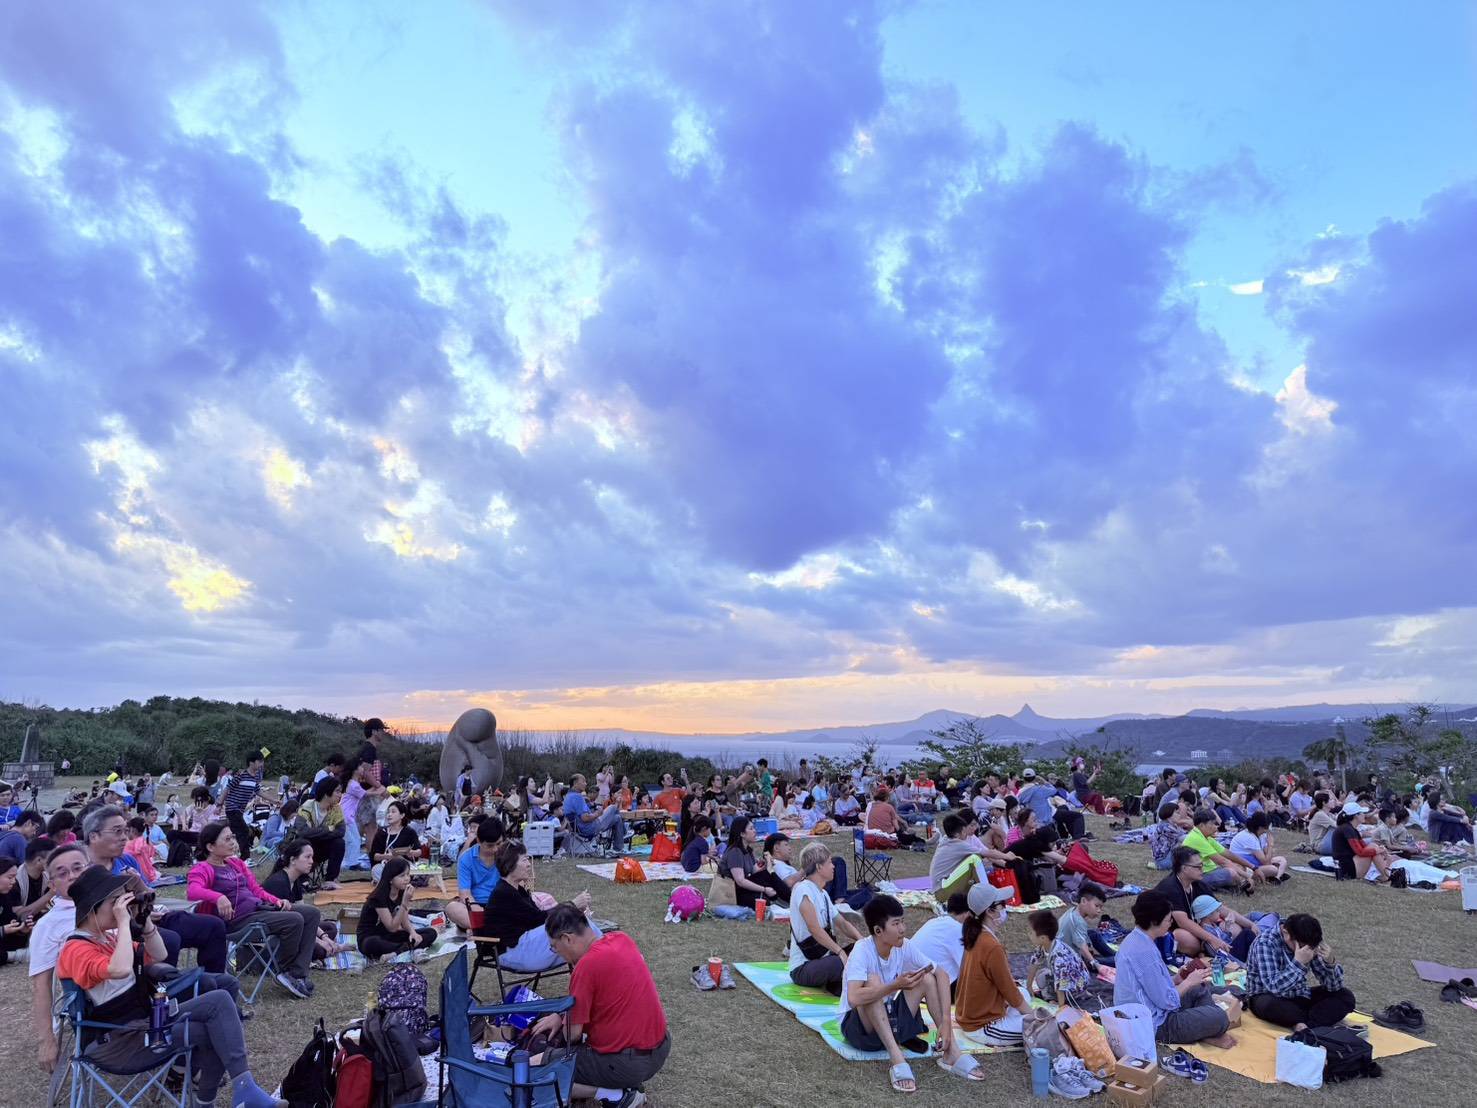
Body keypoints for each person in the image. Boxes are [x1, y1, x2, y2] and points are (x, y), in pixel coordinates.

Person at [53, 865, 283, 1108]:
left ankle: (217, 1099)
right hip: (117, 1042)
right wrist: (123, 924)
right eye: (116, 901)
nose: (123, 906)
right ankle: (242, 1093)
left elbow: (160, 953)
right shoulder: (76, 949)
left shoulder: (107, 938)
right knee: (217, 1001)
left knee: (217, 1026)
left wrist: (145, 922)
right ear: (93, 906)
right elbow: (119, 969)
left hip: (144, 1026)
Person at [530, 905, 669, 1108]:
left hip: (629, 1063)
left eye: (554, 947)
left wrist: (562, 1024)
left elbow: (572, 1035)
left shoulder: (586, 967)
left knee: (535, 1068)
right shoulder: (621, 939)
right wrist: (560, 1016)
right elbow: (607, 999)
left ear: (567, 939)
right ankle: (621, 1084)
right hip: (659, 1049)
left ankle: (615, 1095)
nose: (556, 953)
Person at [840, 894, 982, 1092]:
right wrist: (893, 985)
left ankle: (951, 1051)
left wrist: (946, 1024)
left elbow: (940, 973)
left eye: (903, 921)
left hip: (889, 1020)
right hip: (861, 1030)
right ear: (878, 930)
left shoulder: (904, 946)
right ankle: (897, 1059)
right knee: (873, 982)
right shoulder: (862, 950)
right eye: (896, 923)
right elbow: (854, 998)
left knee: (926, 978)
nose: (903, 929)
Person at [83, 805, 229, 974]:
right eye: (117, 831)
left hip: (148, 918)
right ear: (94, 836)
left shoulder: (126, 860)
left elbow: (151, 897)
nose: (124, 837)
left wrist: (137, 883)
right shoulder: (81, 870)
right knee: (170, 940)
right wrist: (136, 915)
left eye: (125, 831)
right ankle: (161, 995)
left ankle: (214, 983)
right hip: (119, 928)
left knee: (212, 926)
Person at [187, 822, 321, 999]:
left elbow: (256, 890)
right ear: (210, 846)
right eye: (227, 839)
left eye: (233, 837)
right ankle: (285, 970)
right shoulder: (203, 868)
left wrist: (277, 901)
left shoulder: (236, 864)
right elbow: (192, 891)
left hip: (258, 910)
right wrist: (218, 897)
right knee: (294, 919)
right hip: (236, 921)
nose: (232, 841)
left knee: (311, 913)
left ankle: (298, 973)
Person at [1115, 889, 1236, 1047]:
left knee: (1199, 988)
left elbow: (1151, 987)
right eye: (1168, 919)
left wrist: (1177, 979)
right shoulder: (1144, 952)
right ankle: (1207, 1030)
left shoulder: (1135, 939)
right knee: (1220, 1017)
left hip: (1150, 1009)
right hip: (1154, 1024)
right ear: (1154, 922)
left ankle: (1204, 1029)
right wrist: (1187, 983)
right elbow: (1166, 1002)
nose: (1170, 923)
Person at [485, 842, 599, 971]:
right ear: (510, 865)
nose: (529, 864)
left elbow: (539, 918)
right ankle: (606, 957)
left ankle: (599, 967)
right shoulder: (503, 893)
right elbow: (539, 920)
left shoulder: (519, 891)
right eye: (524, 860)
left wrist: (574, 911)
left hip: (527, 948)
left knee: (580, 928)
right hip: (513, 952)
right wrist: (572, 905)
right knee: (580, 927)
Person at [1245, 913, 1356, 1030]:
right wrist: (1298, 963)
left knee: (1345, 996)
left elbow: (1333, 987)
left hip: (1300, 996)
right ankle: (1313, 1020)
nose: (1307, 949)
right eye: (1302, 946)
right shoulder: (1265, 943)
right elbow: (1273, 986)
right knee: (1269, 1005)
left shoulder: (1309, 940)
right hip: (1269, 997)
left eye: (1310, 947)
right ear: (1287, 934)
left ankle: (1305, 1025)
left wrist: (1330, 963)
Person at [1154, 847, 1261, 958]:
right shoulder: (1171, 888)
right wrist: (1212, 939)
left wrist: (1250, 924)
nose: (1202, 869)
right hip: (1165, 931)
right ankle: (1206, 950)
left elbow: (1221, 909)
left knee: (1235, 929)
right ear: (1184, 868)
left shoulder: (1198, 883)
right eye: (1198, 866)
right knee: (1185, 938)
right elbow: (1183, 922)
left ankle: (1209, 950)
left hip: (1199, 926)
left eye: (1202, 865)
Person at [788, 842, 865, 993]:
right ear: (818, 867)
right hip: (803, 967)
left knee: (862, 952)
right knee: (846, 961)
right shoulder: (802, 889)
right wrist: (839, 951)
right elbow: (814, 929)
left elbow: (842, 924)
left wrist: (863, 941)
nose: (833, 866)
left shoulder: (822, 894)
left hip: (824, 959)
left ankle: (840, 986)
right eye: (829, 862)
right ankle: (848, 984)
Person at [262, 839, 350, 960]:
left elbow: (306, 917)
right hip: (279, 932)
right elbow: (294, 922)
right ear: (293, 860)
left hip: (296, 927)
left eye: (312, 857)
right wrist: (320, 942)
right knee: (318, 949)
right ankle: (331, 948)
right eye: (307, 857)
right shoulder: (278, 883)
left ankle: (328, 946)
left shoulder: (294, 880)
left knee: (330, 928)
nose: (311, 861)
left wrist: (324, 937)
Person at [357, 857, 438, 961]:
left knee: (431, 933)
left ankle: (396, 952)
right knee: (372, 943)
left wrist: (412, 932)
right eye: (402, 875)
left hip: (387, 935)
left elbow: (404, 921)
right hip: (369, 937)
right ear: (390, 879)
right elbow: (392, 927)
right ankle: (405, 949)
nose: (407, 878)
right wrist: (405, 903)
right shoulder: (378, 897)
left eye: (408, 874)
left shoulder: (400, 891)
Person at [446, 816, 504, 932]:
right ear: (478, 841)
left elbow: (519, 886)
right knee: (451, 908)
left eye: (498, 844)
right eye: (490, 845)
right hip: (475, 905)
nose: (495, 849)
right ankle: (489, 925)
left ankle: (480, 927)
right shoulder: (466, 858)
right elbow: (465, 894)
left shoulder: (507, 854)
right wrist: (477, 910)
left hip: (502, 904)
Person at [1026, 908, 1093, 1007]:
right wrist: (1029, 985)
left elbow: (1061, 985)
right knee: (1042, 974)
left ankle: (1055, 999)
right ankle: (1077, 993)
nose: (1028, 935)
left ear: (1043, 938)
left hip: (1077, 984)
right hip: (1076, 978)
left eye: (1031, 933)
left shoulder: (1059, 958)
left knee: (1042, 978)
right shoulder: (1045, 945)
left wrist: (1061, 1007)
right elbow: (1034, 963)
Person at [909, 891, 973, 990]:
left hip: (910, 979)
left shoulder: (934, 921)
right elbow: (968, 968)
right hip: (929, 985)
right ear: (967, 915)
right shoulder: (957, 929)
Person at [1181, 809, 1255, 893]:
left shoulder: (1204, 836)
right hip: (1196, 878)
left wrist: (1253, 867)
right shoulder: (1196, 838)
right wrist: (1247, 877)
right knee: (1232, 873)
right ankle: (1236, 886)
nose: (1215, 826)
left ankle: (1228, 886)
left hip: (1207, 871)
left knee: (1238, 866)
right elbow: (1223, 861)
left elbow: (1227, 853)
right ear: (1202, 825)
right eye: (1212, 824)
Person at [294, 775, 347, 888]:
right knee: (304, 841)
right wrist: (329, 829)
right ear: (327, 792)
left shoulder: (336, 809)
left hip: (322, 848)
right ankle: (302, 880)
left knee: (339, 842)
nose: (340, 795)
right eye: (337, 791)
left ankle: (330, 879)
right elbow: (302, 831)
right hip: (307, 847)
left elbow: (341, 831)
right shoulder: (308, 806)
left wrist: (316, 832)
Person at [722, 816, 786, 908]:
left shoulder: (748, 850)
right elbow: (740, 881)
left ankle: (788, 898)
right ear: (742, 834)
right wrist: (764, 889)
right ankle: (787, 899)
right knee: (764, 901)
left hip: (743, 888)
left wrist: (765, 863)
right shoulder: (735, 852)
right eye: (751, 829)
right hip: (733, 892)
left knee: (767, 875)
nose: (755, 831)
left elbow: (752, 872)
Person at [1058, 882, 1117, 971]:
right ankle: (1116, 958)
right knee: (1118, 961)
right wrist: (1096, 965)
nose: (1099, 910)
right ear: (1083, 901)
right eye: (1096, 906)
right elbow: (1083, 948)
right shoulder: (1078, 921)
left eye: (1101, 907)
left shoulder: (1073, 911)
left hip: (1064, 949)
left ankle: (1114, 955)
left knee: (1093, 934)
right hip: (1070, 960)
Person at [564, 774, 629, 852]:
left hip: (579, 829)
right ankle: (625, 833)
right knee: (613, 807)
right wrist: (598, 813)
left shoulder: (568, 796)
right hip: (590, 828)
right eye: (583, 781)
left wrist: (595, 813)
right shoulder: (577, 797)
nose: (586, 784)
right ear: (575, 783)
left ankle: (618, 849)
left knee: (617, 818)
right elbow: (585, 818)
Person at [222, 751, 268, 858]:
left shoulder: (254, 778)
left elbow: (259, 792)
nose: (261, 764)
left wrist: (274, 801)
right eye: (260, 762)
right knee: (244, 830)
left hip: (239, 810)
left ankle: (233, 852)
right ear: (251, 763)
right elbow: (228, 788)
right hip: (232, 807)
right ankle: (244, 856)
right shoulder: (241, 775)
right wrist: (220, 803)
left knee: (237, 831)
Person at [1018, 767, 1086, 840]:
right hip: (1048, 816)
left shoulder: (1021, 792)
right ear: (1034, 778)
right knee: (1077, 816)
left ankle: (1068, 835)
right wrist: (1044, 781)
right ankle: (1078, 837)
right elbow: (1053, 790)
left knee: (1064, 809)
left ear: (1024, 779)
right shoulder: (1039, 789)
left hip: (1035, 818)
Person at [1331, 805, 1394, 882]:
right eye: (1362, 813)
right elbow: (1360, 852)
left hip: (1347, 865)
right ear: (1356, 816)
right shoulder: (1347, 829)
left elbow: (1364, 846)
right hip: (1346, 869)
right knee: (1374, 849)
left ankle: (1386, 875)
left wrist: (1379, 849)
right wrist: (1377, 851)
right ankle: (1386, 876)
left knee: (1373, 846)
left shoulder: (1351, 829)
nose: (1364, 815)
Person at [1229, 811, 1289, 882]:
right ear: (1261, 827)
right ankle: (1272, 876)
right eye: (1267, 827)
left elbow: (1267, 856)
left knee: (1282, 860)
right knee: (1273, 869)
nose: (1269, 829)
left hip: (1255, 862)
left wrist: (1268, 851)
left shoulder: (1261, 835)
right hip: (1244, 866)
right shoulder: (1249, 837)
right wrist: (1270, 845)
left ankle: (1277, 878)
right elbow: (1265, 862)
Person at [368, 800, 421, 876]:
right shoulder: (382, 832)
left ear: (402, 815)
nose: (389, 815)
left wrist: (412, 852)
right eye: (388, 812)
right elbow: (374, 856)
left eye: (393, 812)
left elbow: (419, 851)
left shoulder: (409, 832)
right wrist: (387, 856)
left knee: (408, 869)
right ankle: (397, 882)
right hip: (386, 865)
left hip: (403, 865)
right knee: (376, 870)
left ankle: (392, 882)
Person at [1147, 801, 1189, 870]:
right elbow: (1186, 838)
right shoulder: (1166, 827)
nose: (1180, 815)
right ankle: (1160, 866)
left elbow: (1185, 834)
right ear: (1169, 814)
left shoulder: (1172, 825)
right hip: (1165, 860)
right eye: (1177, 813)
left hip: (1167, 856)